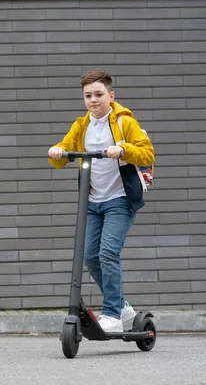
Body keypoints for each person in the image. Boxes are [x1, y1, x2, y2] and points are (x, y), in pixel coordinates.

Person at [47, 68, 155, 333]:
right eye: (88, 96)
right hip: (92, 201)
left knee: (108, 253)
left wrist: (123, 150)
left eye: (98, 94)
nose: (93, 100)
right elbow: (62, 153)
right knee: (91, 257)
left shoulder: (123, 121)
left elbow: (147, 153)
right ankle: (122, 308)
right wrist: (57, 152)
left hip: (119, 199)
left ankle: (111, 315)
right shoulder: (82, 125)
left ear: (111, 95)